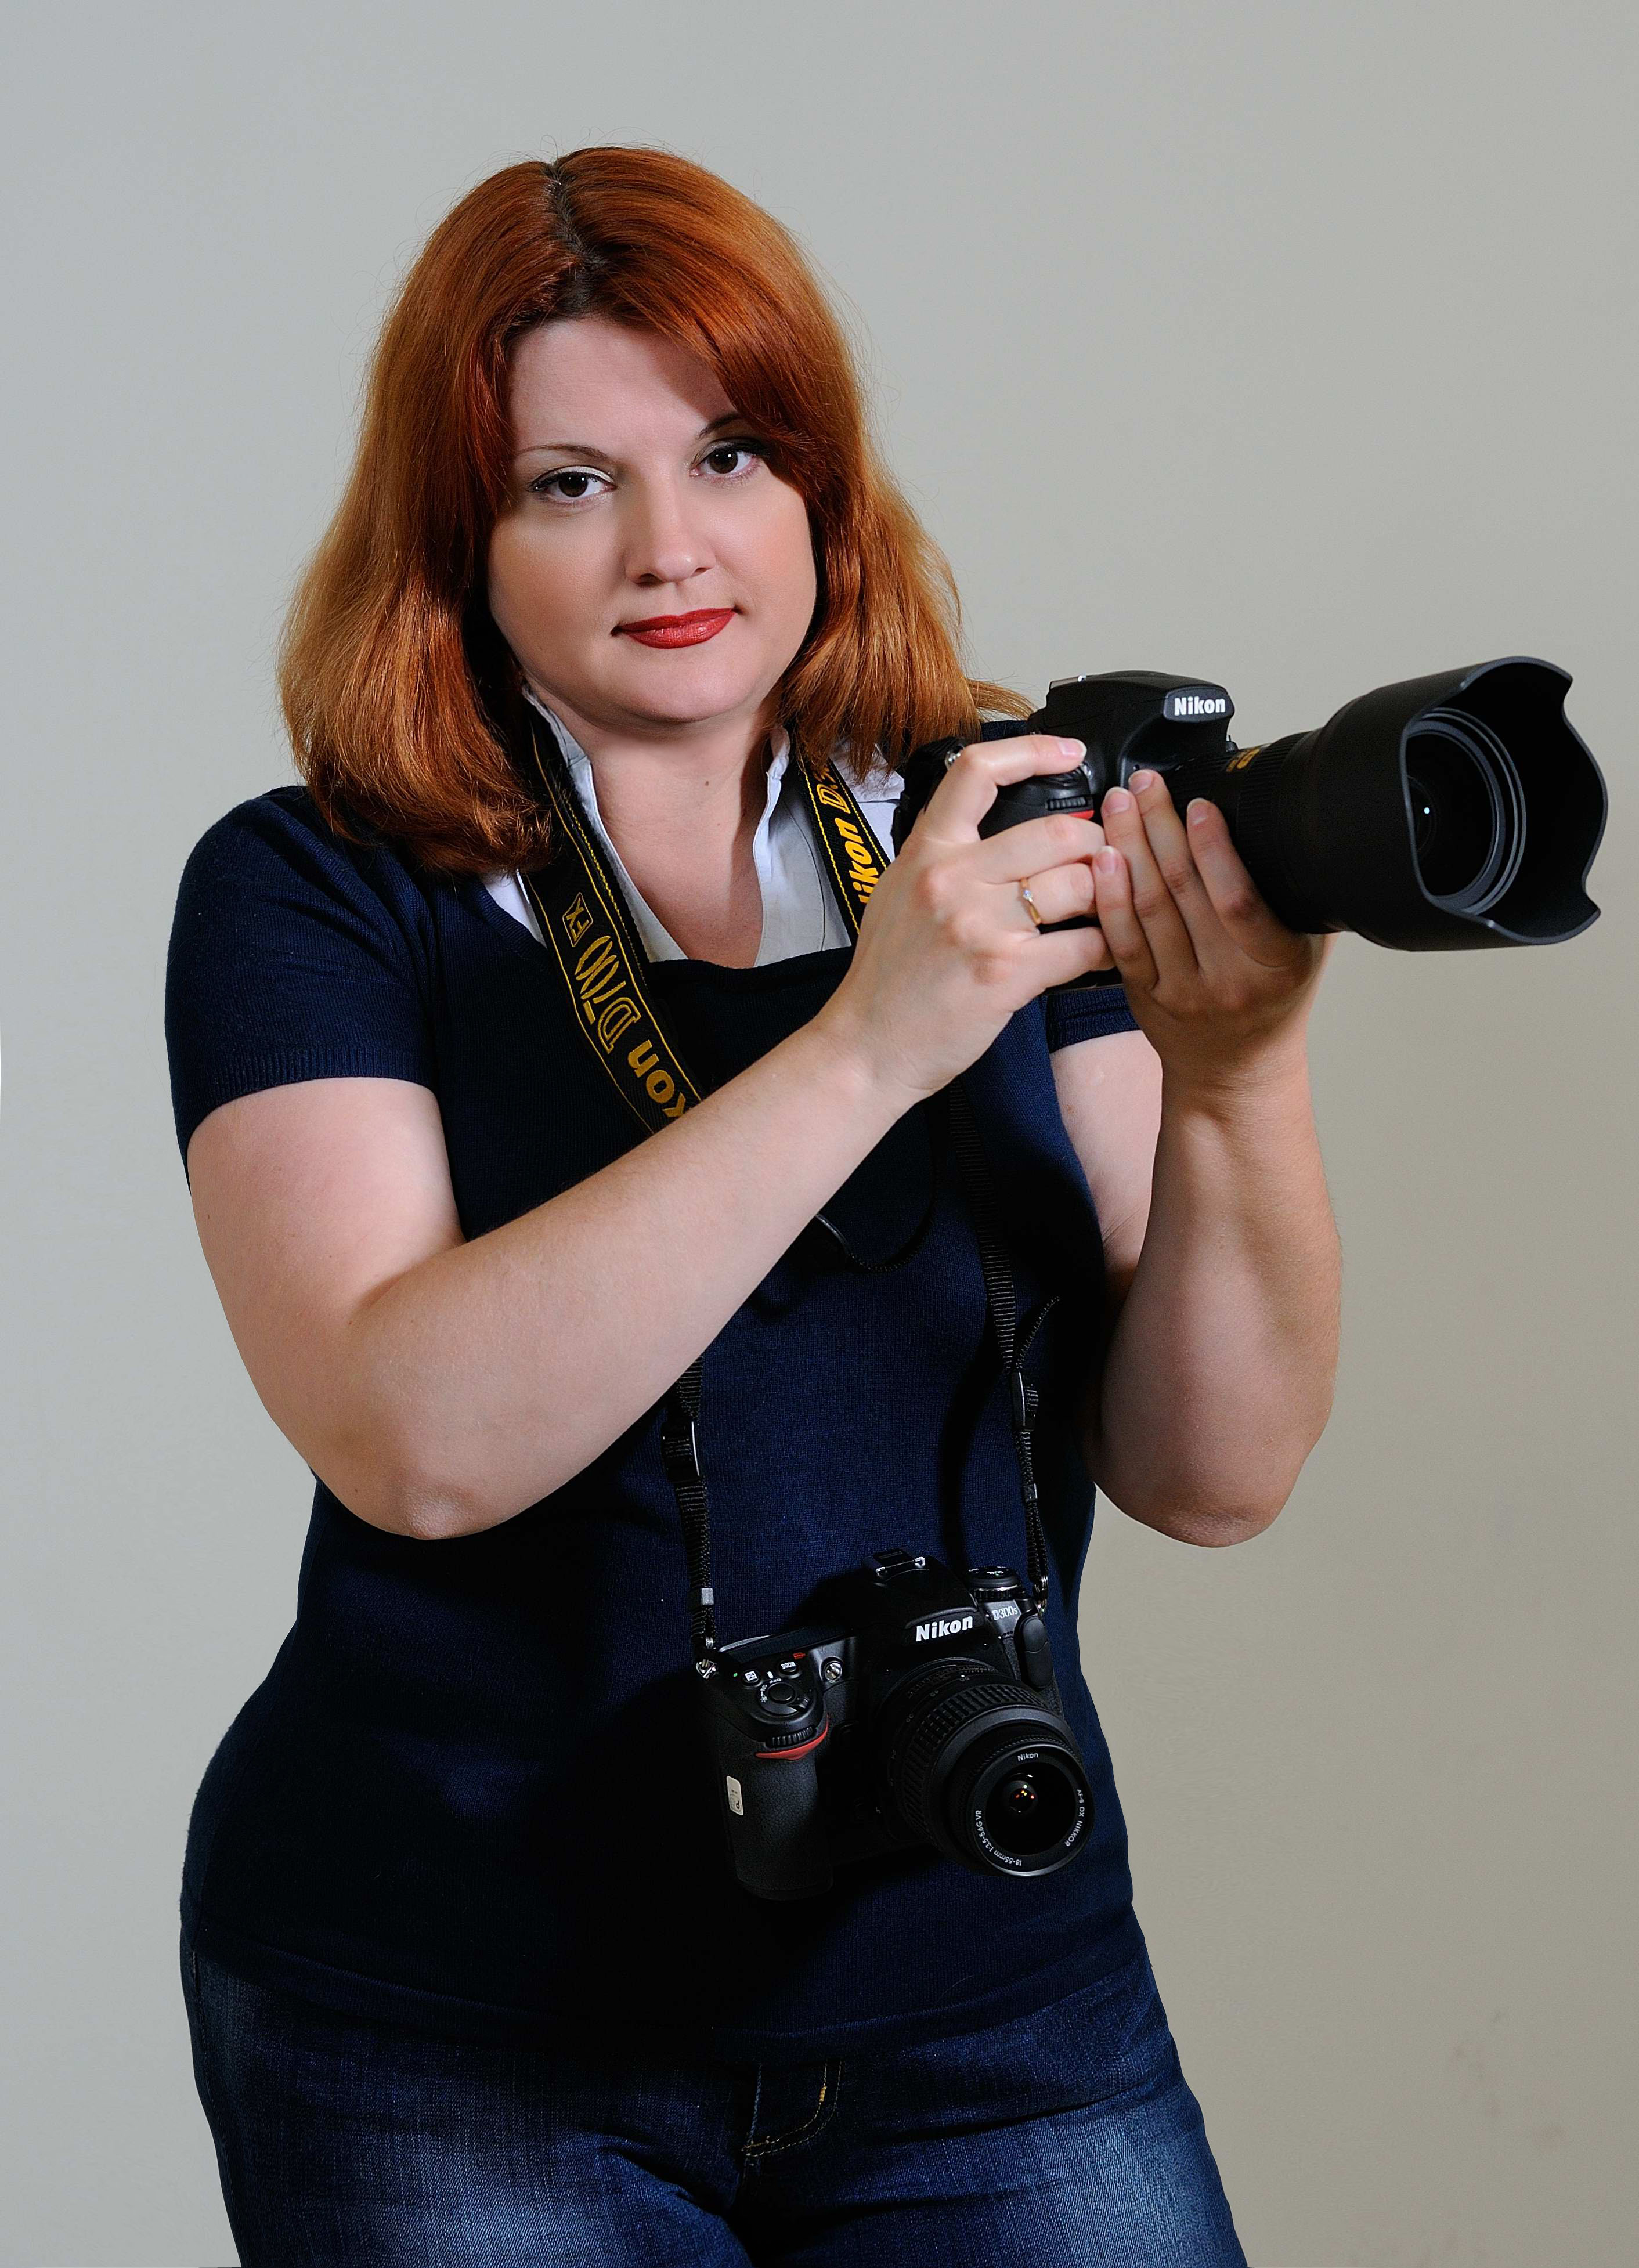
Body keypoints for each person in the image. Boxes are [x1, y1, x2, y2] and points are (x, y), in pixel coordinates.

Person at [166, 146, 1340, 2267]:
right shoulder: (314, 888)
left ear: (821, 482)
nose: (672, 546)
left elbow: (1216, 1474)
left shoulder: (997, 819)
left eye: (728, 453)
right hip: (457, 2020)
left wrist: (1241, 1078)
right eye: (569, 484)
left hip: (990, 1975)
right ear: (459, 541)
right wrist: (873, 1043)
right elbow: (412, 1438)